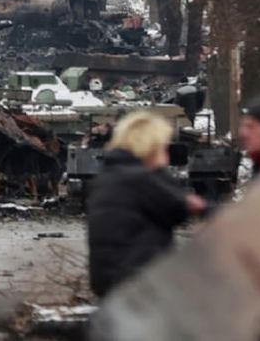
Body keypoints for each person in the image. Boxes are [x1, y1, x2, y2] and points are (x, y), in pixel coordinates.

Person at [87, 111, 206, 297]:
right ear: (151, 146)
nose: (166, 151)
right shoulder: (139, 179)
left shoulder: (111, 175)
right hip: (137, 281)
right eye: (163, 146)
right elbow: (178, 208)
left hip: (113, 280)